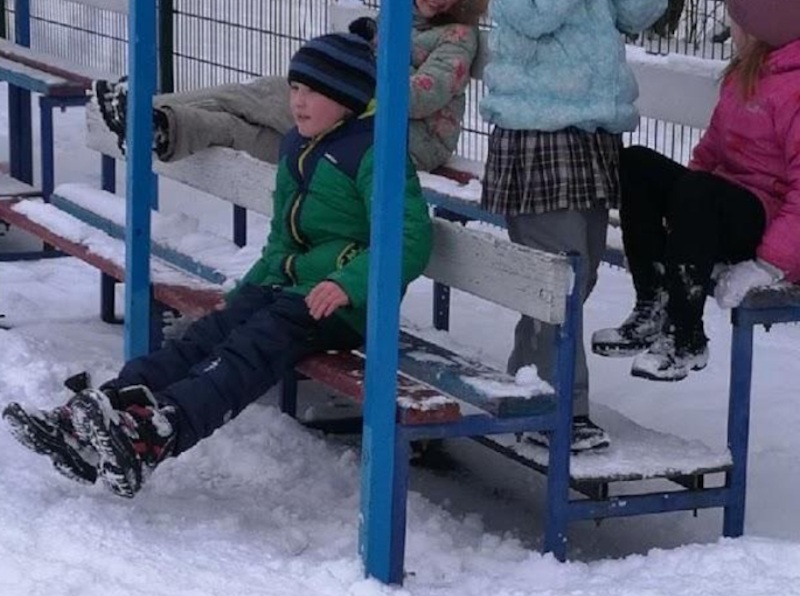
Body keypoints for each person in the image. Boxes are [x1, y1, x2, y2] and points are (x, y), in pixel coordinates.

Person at [2, 32, 433, 499]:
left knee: (246, 351)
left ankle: (157, 433)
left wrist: (348, 284)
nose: (297, 101)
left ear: (347, 99)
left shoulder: (376, 153)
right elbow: (283, 236)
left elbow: (409, 237)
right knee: (200, 338)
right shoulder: (297, 145)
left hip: (338, 305)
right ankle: (99, 414)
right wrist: (248, 289)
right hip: (285, 287)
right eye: (294, 88)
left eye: (313, 92)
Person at [479, 0, 668, 452]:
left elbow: (636, 15)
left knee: (580, 277)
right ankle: (558, 407)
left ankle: (529, 387)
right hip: (537, 132)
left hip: (593, 132)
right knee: (558, 281)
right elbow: (533, 17)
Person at [592, 0, 800, 381]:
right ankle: (653, 302)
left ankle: (685, 336)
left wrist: (766, 265)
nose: (732, 32)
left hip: (766, 228)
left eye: (737, 24)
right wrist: (686, 220)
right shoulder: (742, 76)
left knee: (700, 190)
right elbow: (708, 154)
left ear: (760, 31)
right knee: (635, 163)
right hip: (719, 207)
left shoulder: (794, 89)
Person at [93, 0, 487, 172]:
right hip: (362, 127)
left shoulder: (457, 36)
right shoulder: (393, 17)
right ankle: (160, 125)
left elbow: (420, 97)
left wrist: (353, 74)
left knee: (255, 95)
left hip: (408, 143)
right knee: (246, 129)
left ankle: (142, 108)